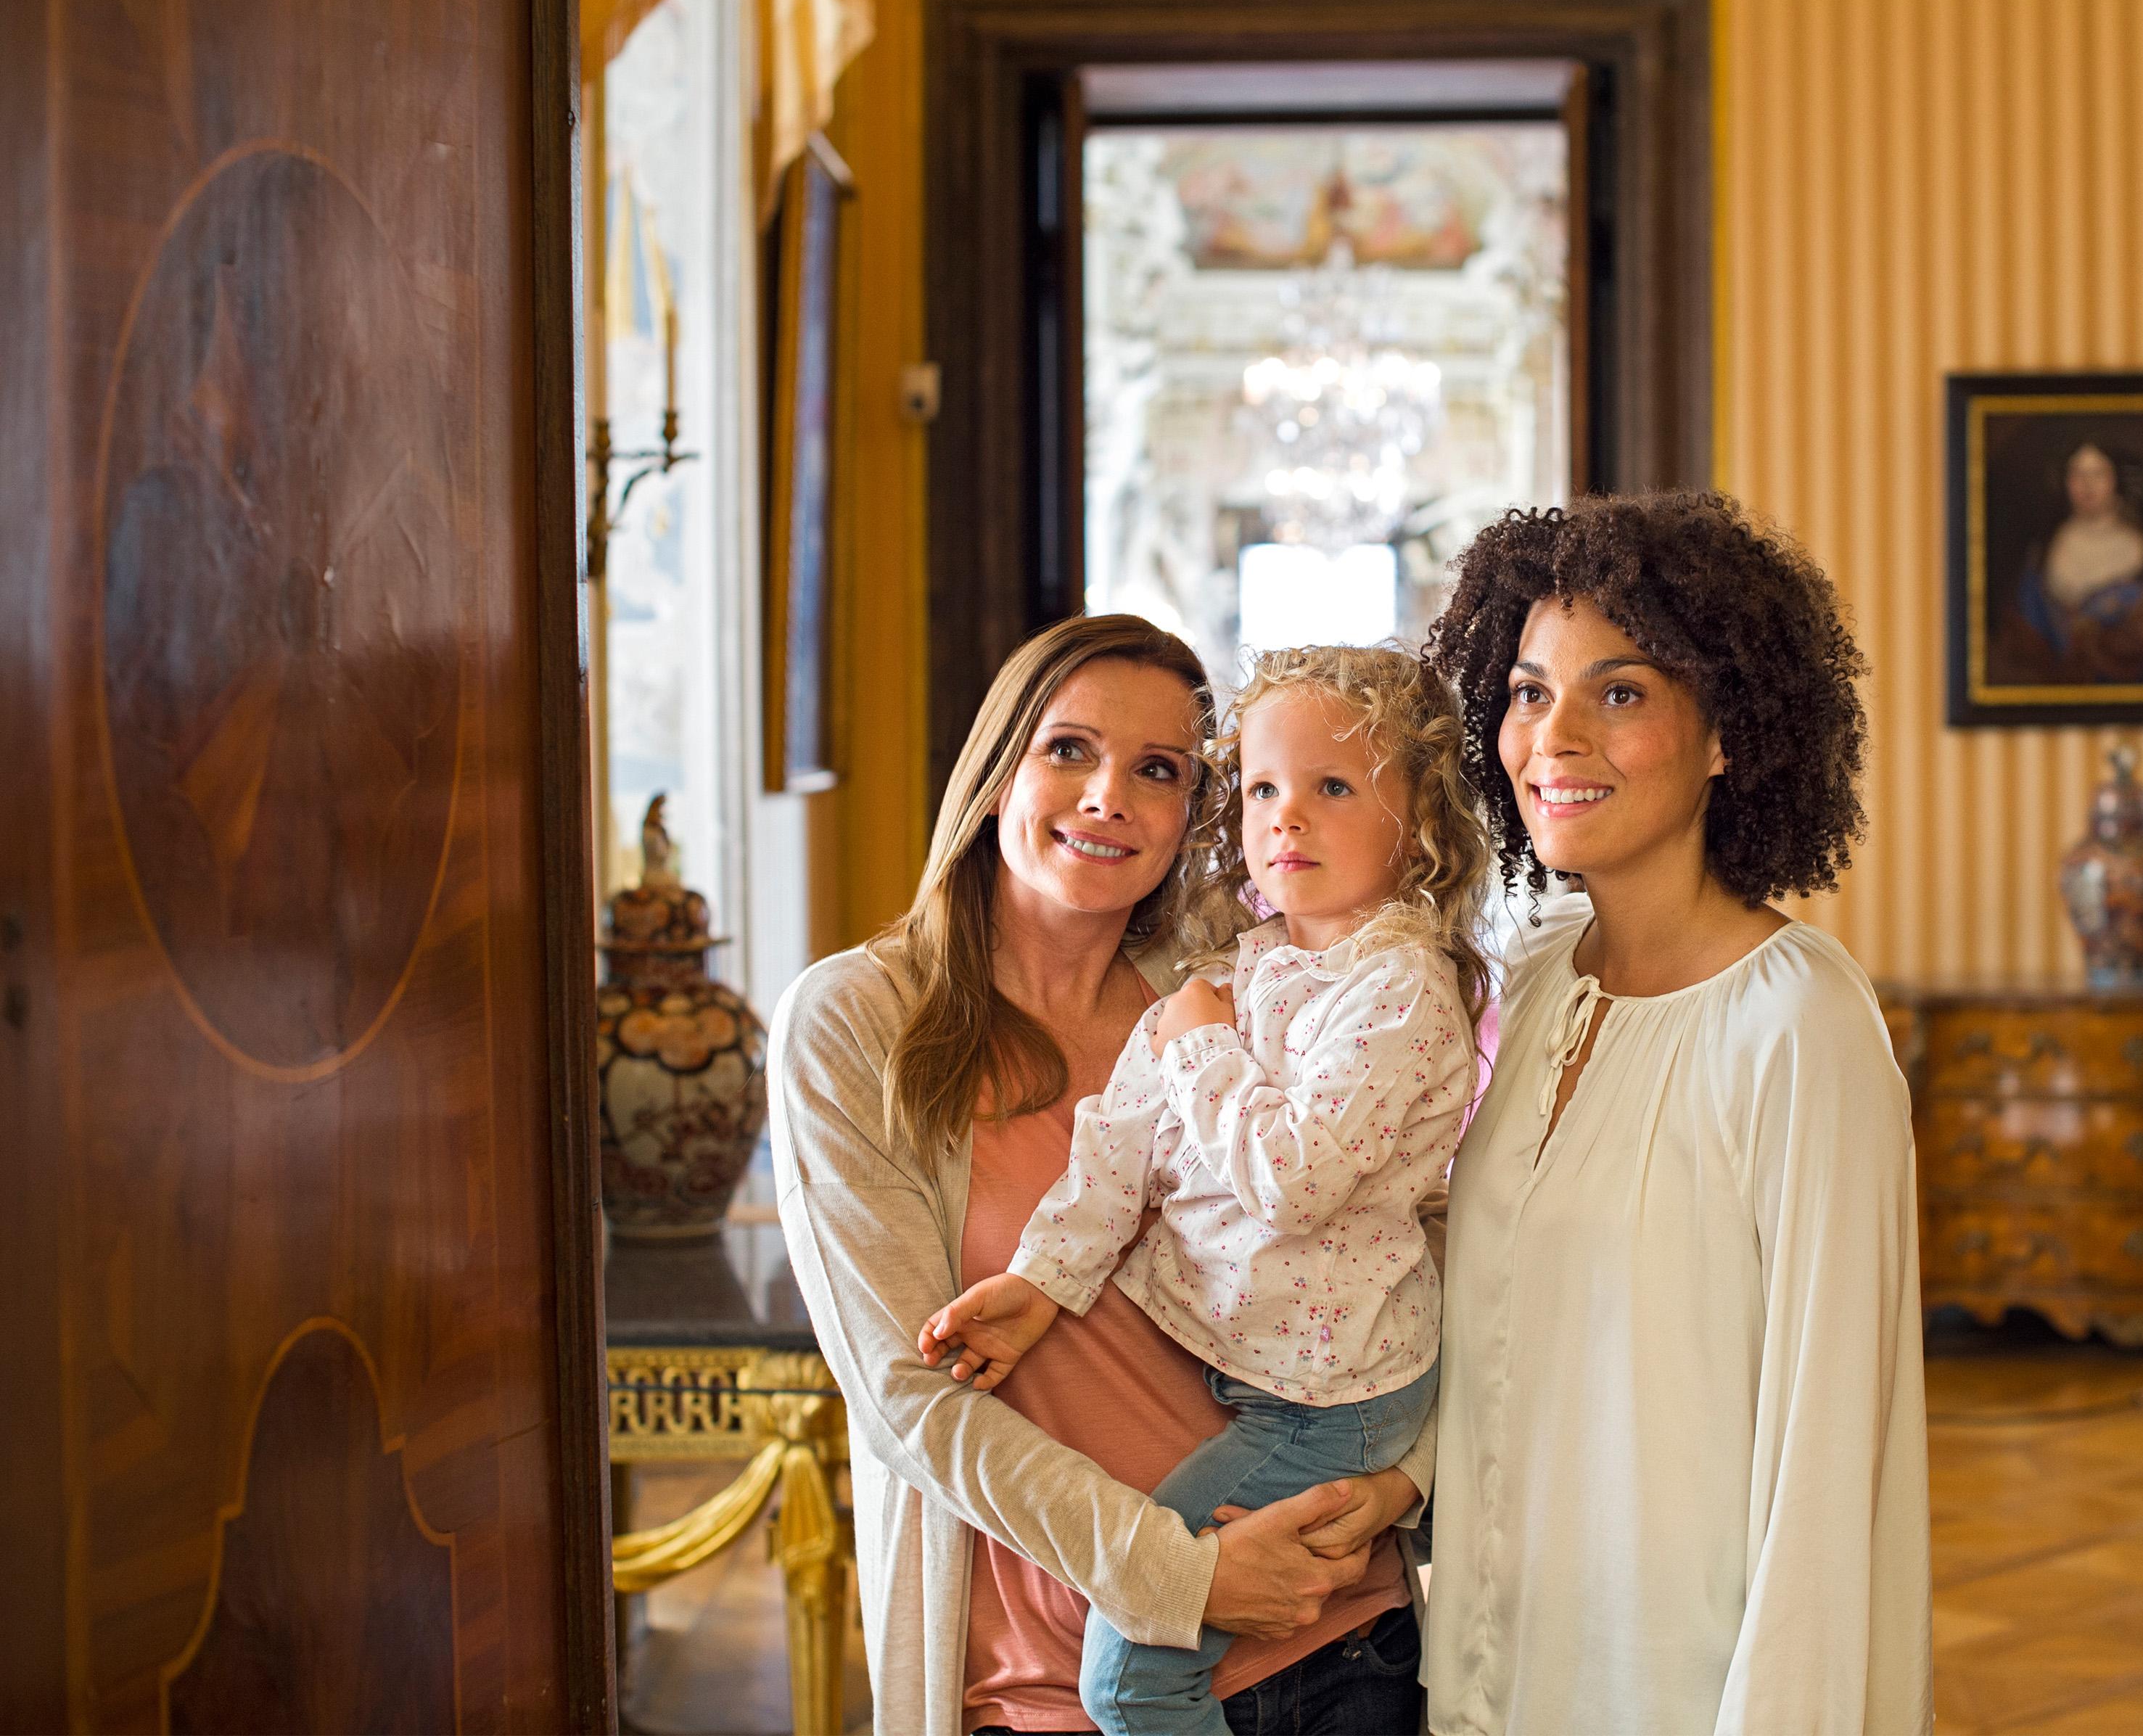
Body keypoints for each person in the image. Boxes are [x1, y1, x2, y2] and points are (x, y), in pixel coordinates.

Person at [768, 614, 1433, 1736]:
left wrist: (1401, 1482)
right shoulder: (855, 1024)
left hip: (1336, 1639)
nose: (1108, 795)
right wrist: (1177, 1575)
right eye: (1067, 749)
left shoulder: (1240, 991)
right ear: (995, 775)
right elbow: (906, 1399)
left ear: (1192, 814)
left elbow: (1407, 1258)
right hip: (1055, 1682)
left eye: (1159, 770)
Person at [1420, 490, 1933, 1735]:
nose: (1557, 738)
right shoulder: (1532, 974)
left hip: (1690, 1685)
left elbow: (1830, 1454)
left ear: (1728, 733)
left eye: (1623, 692)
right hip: (1496, 1661)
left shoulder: (1799, 1025)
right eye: (1531, 691)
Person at [925, 644, 1488, 1736]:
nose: (1288, 818)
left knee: (1131, 1679)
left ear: (1417, 826)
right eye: (1267, 788)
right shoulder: (1242, 968)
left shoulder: (1399, 993)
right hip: (1261, 1385)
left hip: (1332, 1401)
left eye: (1333, 787)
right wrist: (1041, 1285)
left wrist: (1202, 1051)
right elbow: (1118, 1144)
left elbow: (1290, 1182)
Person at [1995, 438, 2143, 686]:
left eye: (2098, 474)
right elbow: (2022, 636)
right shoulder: (2041, 554)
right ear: (2066, 482)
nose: (2087, 485)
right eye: (2077, 474)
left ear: (2117, 481)